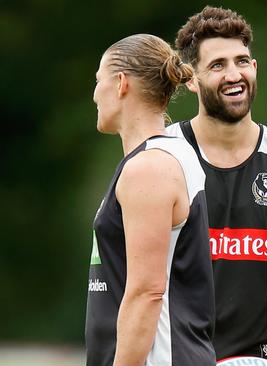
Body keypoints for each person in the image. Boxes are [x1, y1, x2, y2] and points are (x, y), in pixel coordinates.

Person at [167, 6, 267, 365]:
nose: (233, 74)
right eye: (218, 65)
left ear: (254, 68)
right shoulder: (163, 160)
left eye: (241, 61)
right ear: (191, 78)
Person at [85, 34, 215, 366]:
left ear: (120, 83)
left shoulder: (150, 168)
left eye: (98, 80)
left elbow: (147, 293)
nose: (94, 94)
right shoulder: (157, 159)